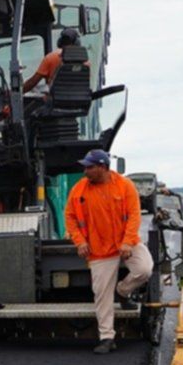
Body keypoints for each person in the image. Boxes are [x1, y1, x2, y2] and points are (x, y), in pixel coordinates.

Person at [65, 149, 153, 354]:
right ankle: (106, 337)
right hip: (98, 249)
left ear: (103, 167)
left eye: (90, 167)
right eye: (85, 167)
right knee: (102, 293)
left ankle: (123, 291)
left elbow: (133, 216)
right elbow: (69, 217)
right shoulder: (79, 190)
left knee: (144, 269)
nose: (85, 171)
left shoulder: (125, 186)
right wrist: (79, 242)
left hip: (125, 243)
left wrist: (128, 242)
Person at [21, 27, 82, 95]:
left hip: (56, 101)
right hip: (80, 102)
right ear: (77, 43)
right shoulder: (85, 61)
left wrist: (16, 94)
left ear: (59, 42)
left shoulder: (50, 58)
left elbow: (32, 83)